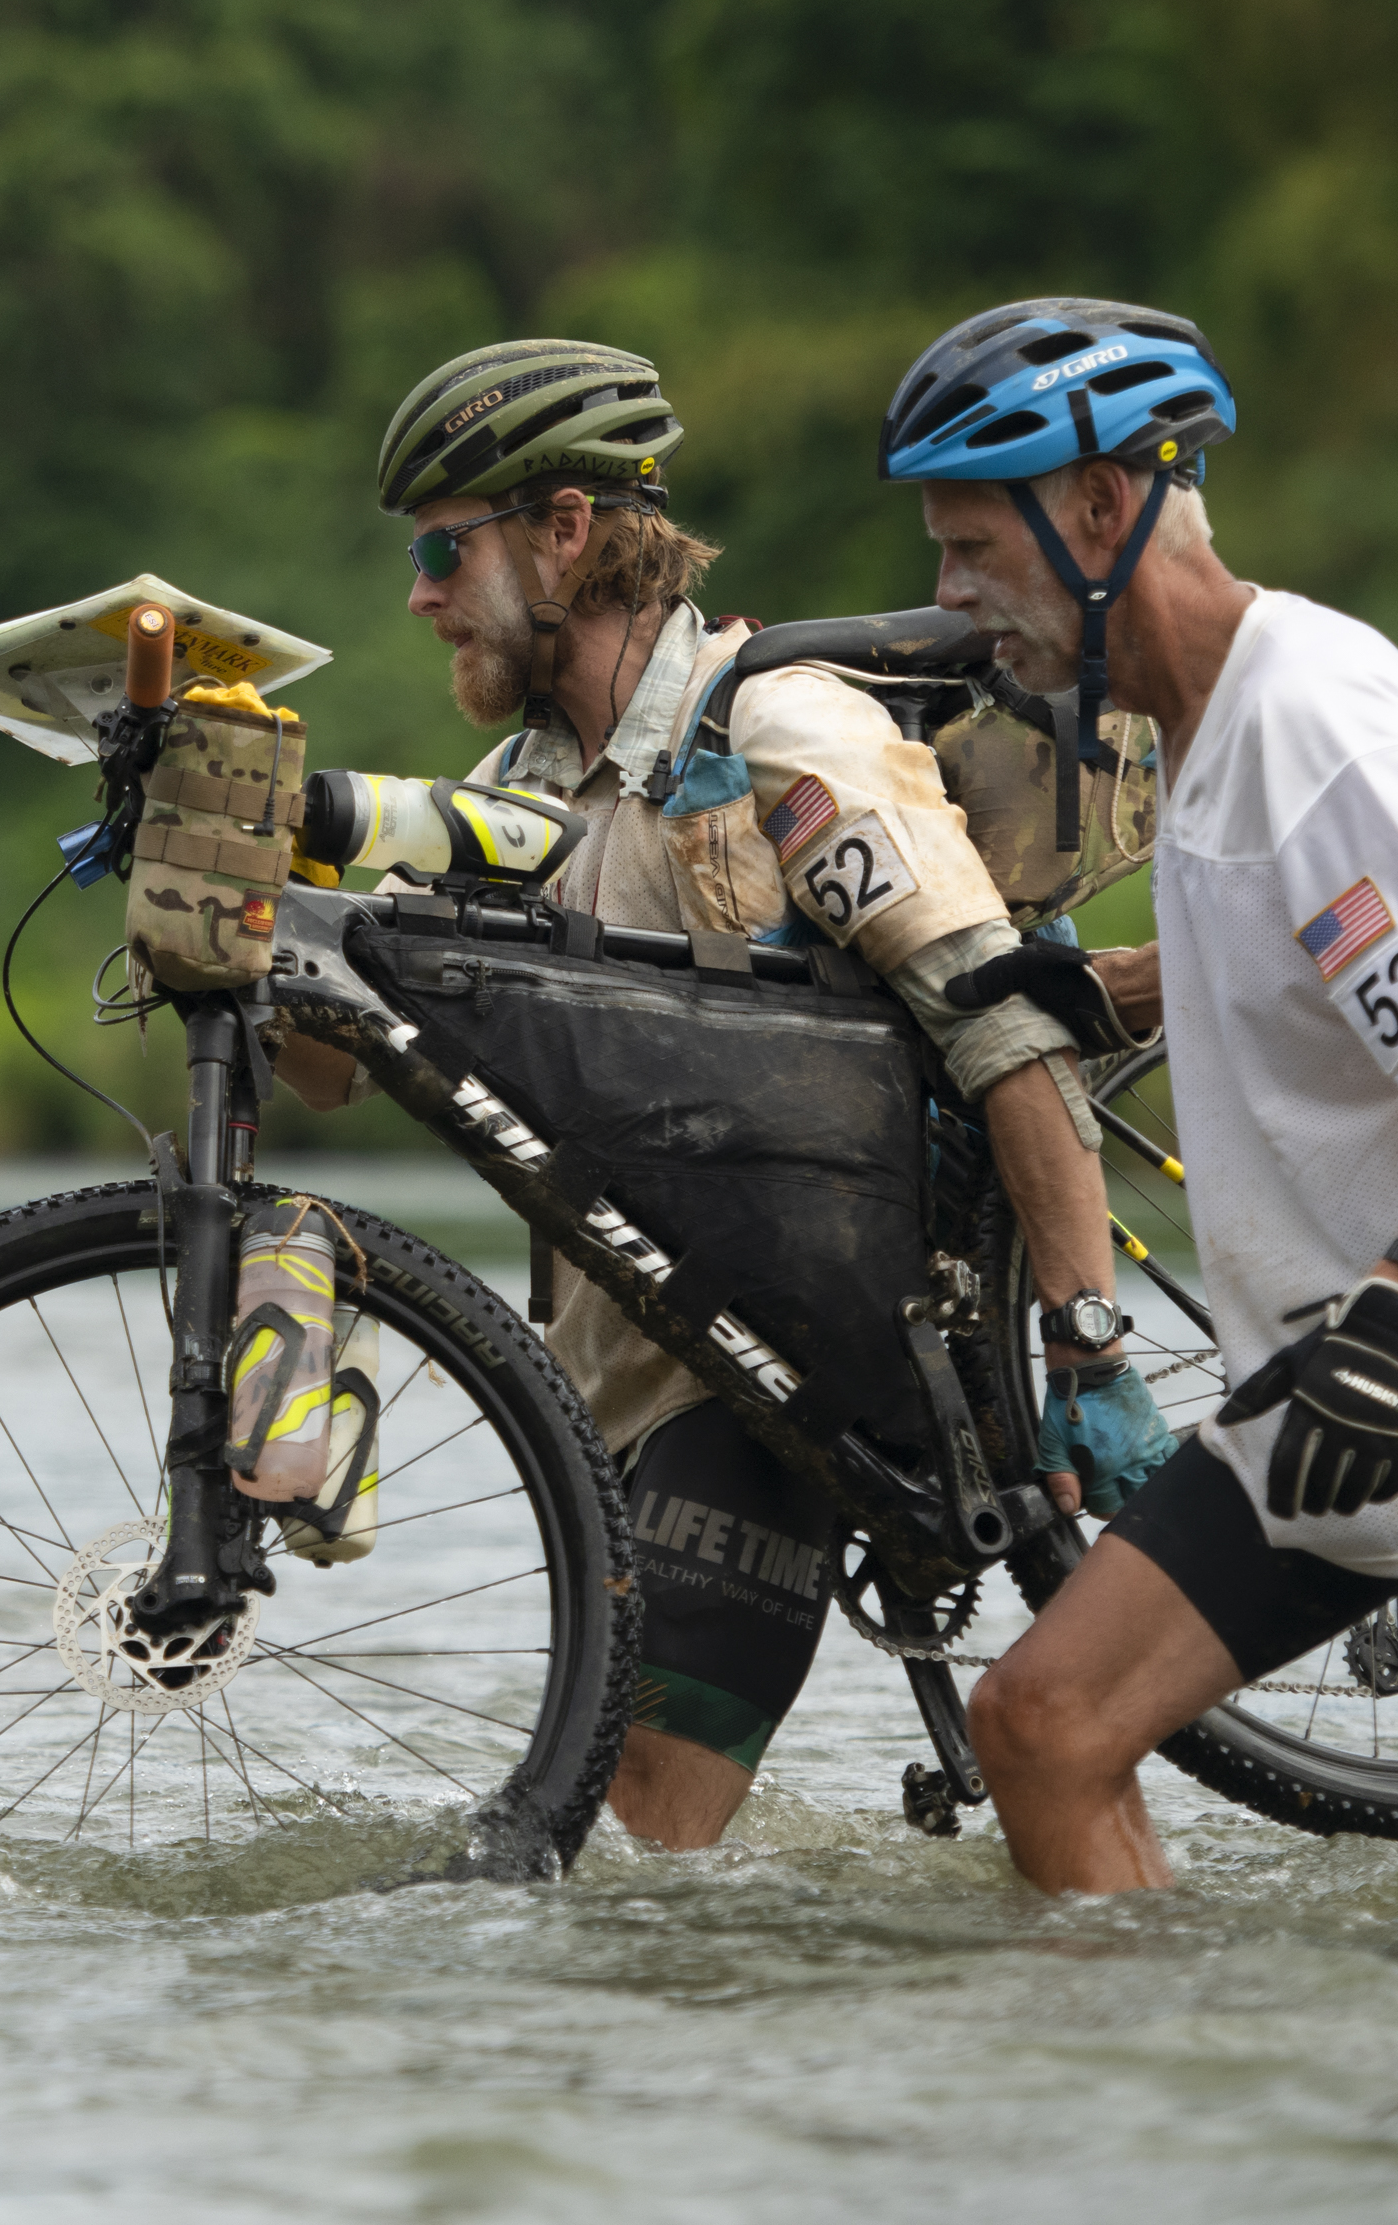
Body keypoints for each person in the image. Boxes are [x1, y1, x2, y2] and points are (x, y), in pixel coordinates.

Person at [280, 338, 1173, 1852]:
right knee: (652, 1854)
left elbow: (999, 1022)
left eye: (446, 550)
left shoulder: (780, 728)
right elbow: (322, 1074)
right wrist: (268, 880)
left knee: (640, 1819)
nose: (421, 595)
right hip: (622, 1384)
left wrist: (1087, 1340)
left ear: (566, 532)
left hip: (779, 1363)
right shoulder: (516, 801)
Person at [891, 297, 1398, 1915]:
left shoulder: (1320, 727)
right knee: (1045, 1726)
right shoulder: (1201, 722)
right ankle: (1179, 2114)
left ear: (1101, 512)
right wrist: (1119, 987)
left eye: (975, 548)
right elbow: (1317, 939)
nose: (951, 597)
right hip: (1321, 1398)